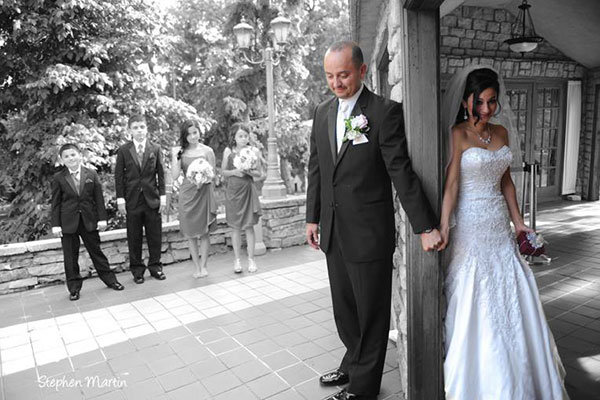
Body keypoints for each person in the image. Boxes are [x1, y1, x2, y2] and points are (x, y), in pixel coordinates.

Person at [305, 41, 442, 400]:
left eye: (344, 75)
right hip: (334, 232)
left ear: (363, 71)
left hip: (369, 234)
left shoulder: (383, 113)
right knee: (345, 312)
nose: (336, 83)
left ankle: (363, 388)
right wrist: (311, 218)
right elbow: (317, 169)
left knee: (371, 315)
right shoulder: (321, 112)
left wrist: (425, 226)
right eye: (330, 76)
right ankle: (353, 362)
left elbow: (401, 171)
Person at [438, 66, 568, 399]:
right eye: (479, 102)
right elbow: (452, 184)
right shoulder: (458, 134)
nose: (485, 109)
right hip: (470, 225)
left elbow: (506, 181)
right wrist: (444, 225)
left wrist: (519, 222)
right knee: (474, 294)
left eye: (492, 102)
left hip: (497, 223)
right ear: (467, 99)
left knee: (512, 290)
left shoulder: (501, 132)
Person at [51, 144, 124, 301]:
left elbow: (98, 198)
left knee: (96, 252)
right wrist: (55, 225)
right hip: (68, 223)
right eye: (66, 156)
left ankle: (111, 280)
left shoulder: (91, 174)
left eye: (73, 155)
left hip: (89, 220)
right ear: (61, 159)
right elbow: (55, 203)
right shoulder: (58, 178)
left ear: (80, 155)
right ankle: (74, 288)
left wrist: (102, 219)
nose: (71, 158)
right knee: (70, 257)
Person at [115, 114, 166, 284]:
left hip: (152, 199)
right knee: (134, 237)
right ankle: (137, 270)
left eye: (142, 127)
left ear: (147, 129)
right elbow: (119, 177)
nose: (139, 130)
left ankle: (155, 267)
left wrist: (163, 198)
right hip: (132, 201)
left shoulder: (155, 149)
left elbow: (161, 174)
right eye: (135, 127)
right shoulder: (123, 150)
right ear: (130, 130)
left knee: (155, 235)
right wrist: (120, 200)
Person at [171, 119, 217, 278]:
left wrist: (202, 180)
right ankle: (196, 267)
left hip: (203, 192)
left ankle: (204, 266)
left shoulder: (208, 151)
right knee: (190, 233)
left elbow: (213, 175)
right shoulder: (180, 152)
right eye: (188, 134)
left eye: (195, 132)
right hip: (187, 194)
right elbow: (175, 175)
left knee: (204, 232)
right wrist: (175, 157)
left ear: (199, 132)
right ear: (184, 136)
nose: (192, 136)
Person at [221, 122, 262, 274]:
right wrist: (234, 172)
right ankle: (237, 260)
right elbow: (223, 172)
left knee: (249, 226)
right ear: (234, 137)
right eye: (240, 136)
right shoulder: (228, 151)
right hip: (233, 192)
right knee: (235, 227)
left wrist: (249, 171)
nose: (243, 139)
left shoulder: (254, 151)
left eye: (245, 136)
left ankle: (251, 260)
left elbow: (259, 174)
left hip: (248, 190)